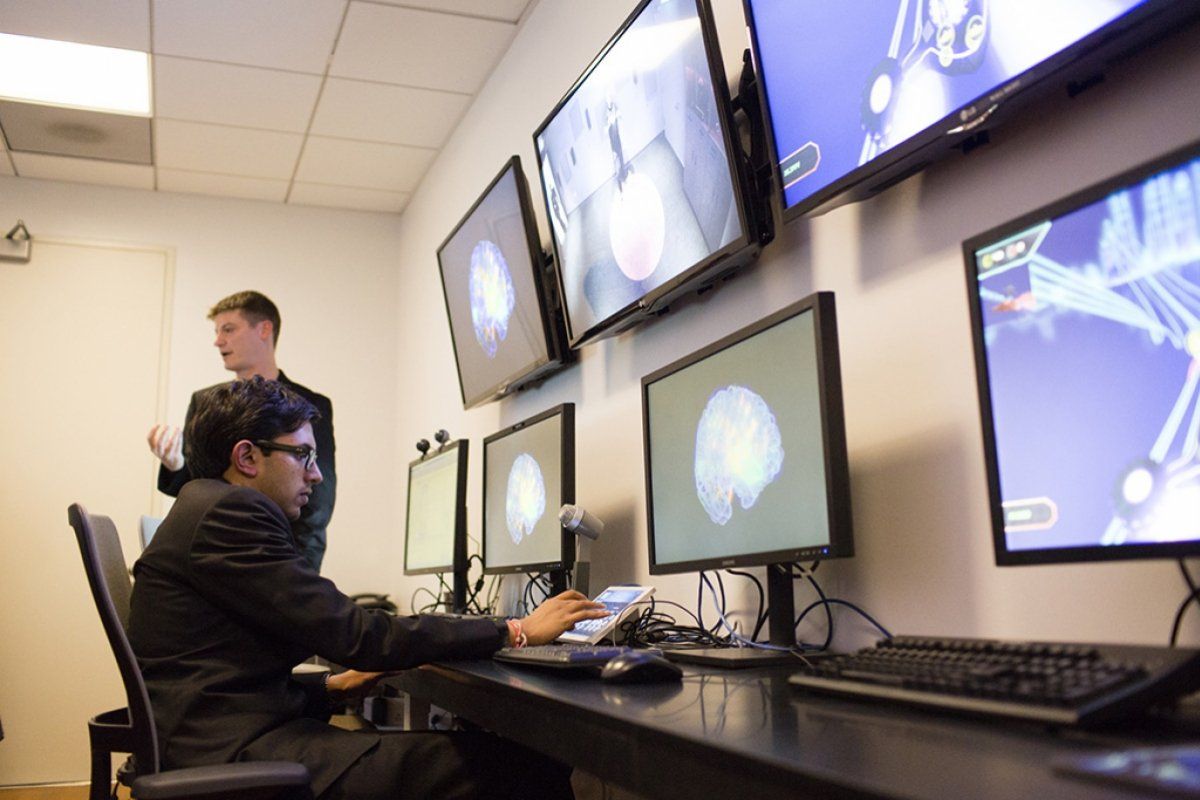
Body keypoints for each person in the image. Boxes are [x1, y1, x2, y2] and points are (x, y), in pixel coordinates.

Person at [128, 377, 608, 799]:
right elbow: (359, 637)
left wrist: (332, 688)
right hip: (241, 757)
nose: (315, 473)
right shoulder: (232, 514)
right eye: (303, 455)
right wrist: (515, 629)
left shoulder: (206, 506)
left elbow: (220, 673)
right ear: (248, 457)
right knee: (523, 767)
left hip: (216, 743)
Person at [147, 290, 336, 571]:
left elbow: (317, 500)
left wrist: (300, 574)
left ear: (264, 329)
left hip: (284, 557)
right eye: (217, 331)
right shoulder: (205, 404)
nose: (218, 341)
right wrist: (177, 465)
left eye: (228, 329)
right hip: (215, 554)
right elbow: (199, 490)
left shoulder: (311, 405)